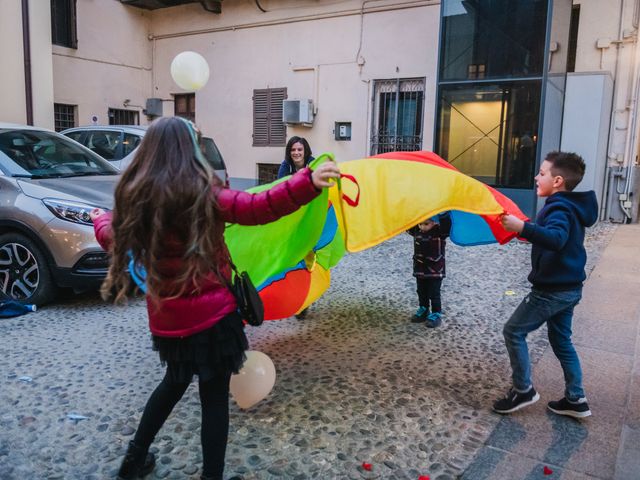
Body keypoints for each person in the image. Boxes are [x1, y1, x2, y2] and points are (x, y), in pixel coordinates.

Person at [89, 117, 340, 480]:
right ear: (188, 149)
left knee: (173, 383)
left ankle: (133, 460)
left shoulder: (137, 199)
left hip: (169, 320)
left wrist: (99, 219)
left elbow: (112, 236)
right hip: (213, 320)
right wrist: (306, 184)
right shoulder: (203, 193)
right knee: (213, 398)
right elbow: (259, 207)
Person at [493, 151, 597, 418]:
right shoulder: (569, 205)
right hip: (570, 288)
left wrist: (523, 227)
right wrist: (528, 235)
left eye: (542, 173)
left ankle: (523, 389)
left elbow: (558, 238)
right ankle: (576, 399)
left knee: (513, 331)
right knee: (562, 341)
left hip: (551, 291)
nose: (536, 176)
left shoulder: (559, 206)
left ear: (558, 180)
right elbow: (555, 240)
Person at [278, 136, 315, 319]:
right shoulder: (285, 167)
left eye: (299, 149)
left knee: (309, 259)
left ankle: (306, 299)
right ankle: (298, 300)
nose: (296, 153)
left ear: (305, 150)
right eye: (293, 150)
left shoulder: (313, 165)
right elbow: (279, 190)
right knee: (293, 260)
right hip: (292, 221)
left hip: (310, 221)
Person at [407, 212, 451, 328]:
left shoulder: (439, 232)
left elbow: (446, 227)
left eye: (426, 224)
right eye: (420, 224)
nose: (422, 226)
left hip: (435, 270)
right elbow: (407, 225)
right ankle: (423, 308)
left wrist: (443, 215)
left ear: (434, 222)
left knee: (434, 293)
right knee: (421, 291)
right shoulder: (417, 231)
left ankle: (436, 313)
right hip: (420, 269)